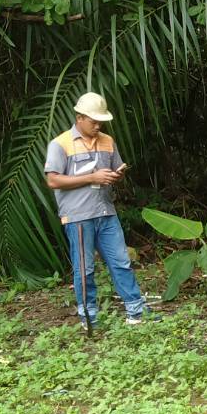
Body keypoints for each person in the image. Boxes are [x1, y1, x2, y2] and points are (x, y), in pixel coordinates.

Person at [44, 92, 154, 326]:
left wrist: (116, 175)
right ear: (79, 118)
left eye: (100, 121)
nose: (98, 125)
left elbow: (115, 171)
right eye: (93, 121)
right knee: (85, 269)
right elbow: (53, 181)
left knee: (121, 262)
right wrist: (91, 176)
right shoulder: (60, 144)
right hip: (78, 216)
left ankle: (136, 312)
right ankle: (88, 318)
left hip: (106, 212)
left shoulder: (108, 141)